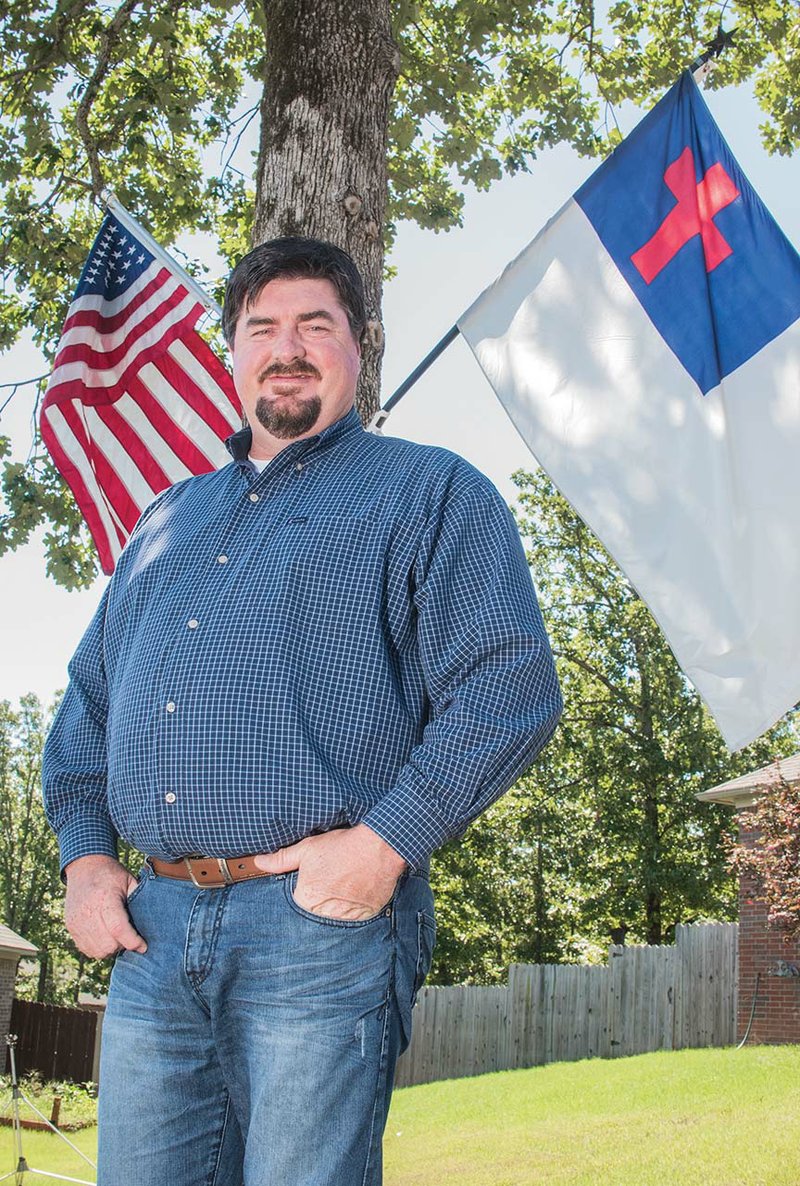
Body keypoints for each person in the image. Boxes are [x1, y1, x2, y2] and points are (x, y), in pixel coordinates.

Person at [43, 237, 562, 1186]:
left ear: (358, 345)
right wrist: (85, 860)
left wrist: (383, 845)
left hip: (314, 928)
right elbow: (86, 710)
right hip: (152, 936)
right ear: (232, 356)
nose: (286, 348)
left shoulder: (428, 490)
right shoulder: (167, 518)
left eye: (313, 325)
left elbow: (510, 682)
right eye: (261, 328)